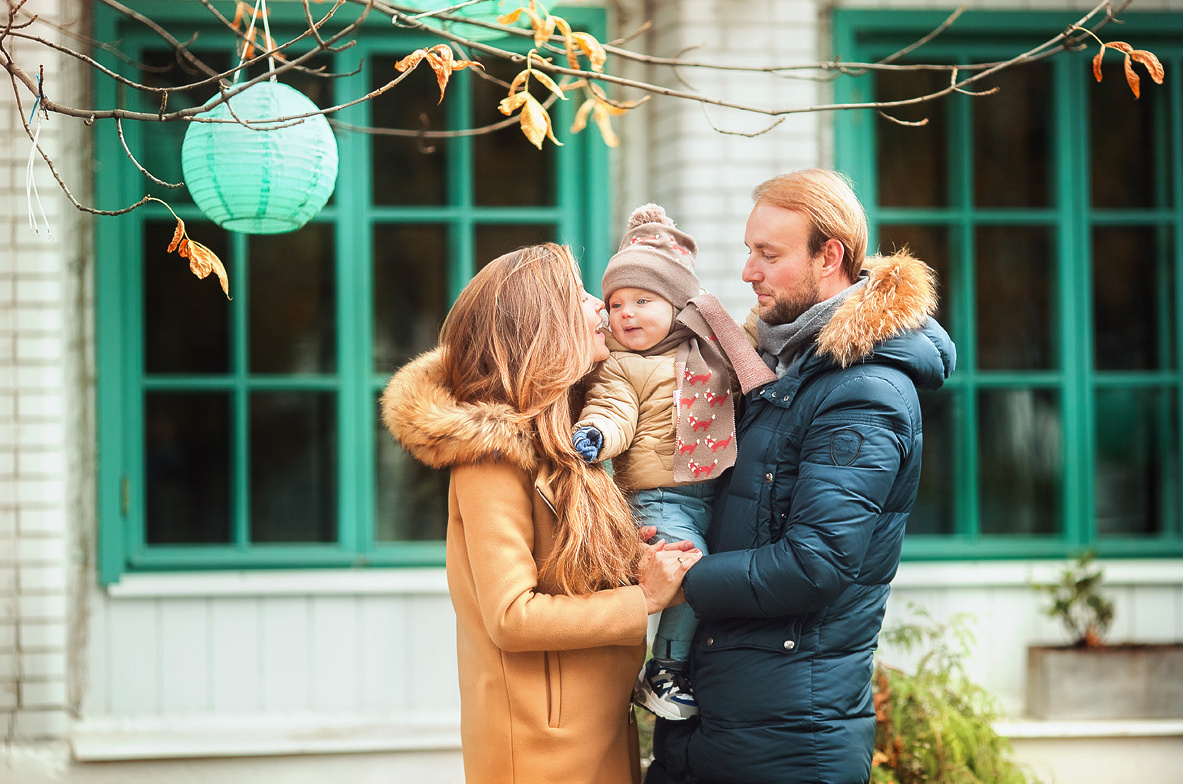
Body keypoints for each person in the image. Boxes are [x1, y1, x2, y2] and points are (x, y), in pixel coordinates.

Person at [645, 169, 957, 784]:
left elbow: (816, 564)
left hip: (790, 741)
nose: (747, 272)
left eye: (768, 254)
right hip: (716, 724)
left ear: (829, 256)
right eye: (747, 251)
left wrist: (683, 582)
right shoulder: (772, 367)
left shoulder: (866, 392)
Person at [380, 243, 701, 784]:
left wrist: (631, 558)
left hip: (598, 724)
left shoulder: (571, 439)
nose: (602, 305)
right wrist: (643, 597)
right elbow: (512, 616)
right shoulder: (490, 458)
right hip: (539, 748)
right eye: (579, 296)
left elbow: (561, 571)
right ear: (543, 324)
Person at [571, 204, 775, 721]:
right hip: (658, 498)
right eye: (617, 304)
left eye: (643, 299)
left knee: (717, 577)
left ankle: (683, 663)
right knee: (688, 569)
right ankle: (664, 669)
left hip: (716, 493)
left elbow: (757, 355)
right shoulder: (622, 363)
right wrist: (596, 434)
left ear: (679, 304)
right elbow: (612, 407)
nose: (627, 314)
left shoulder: (713, 347)